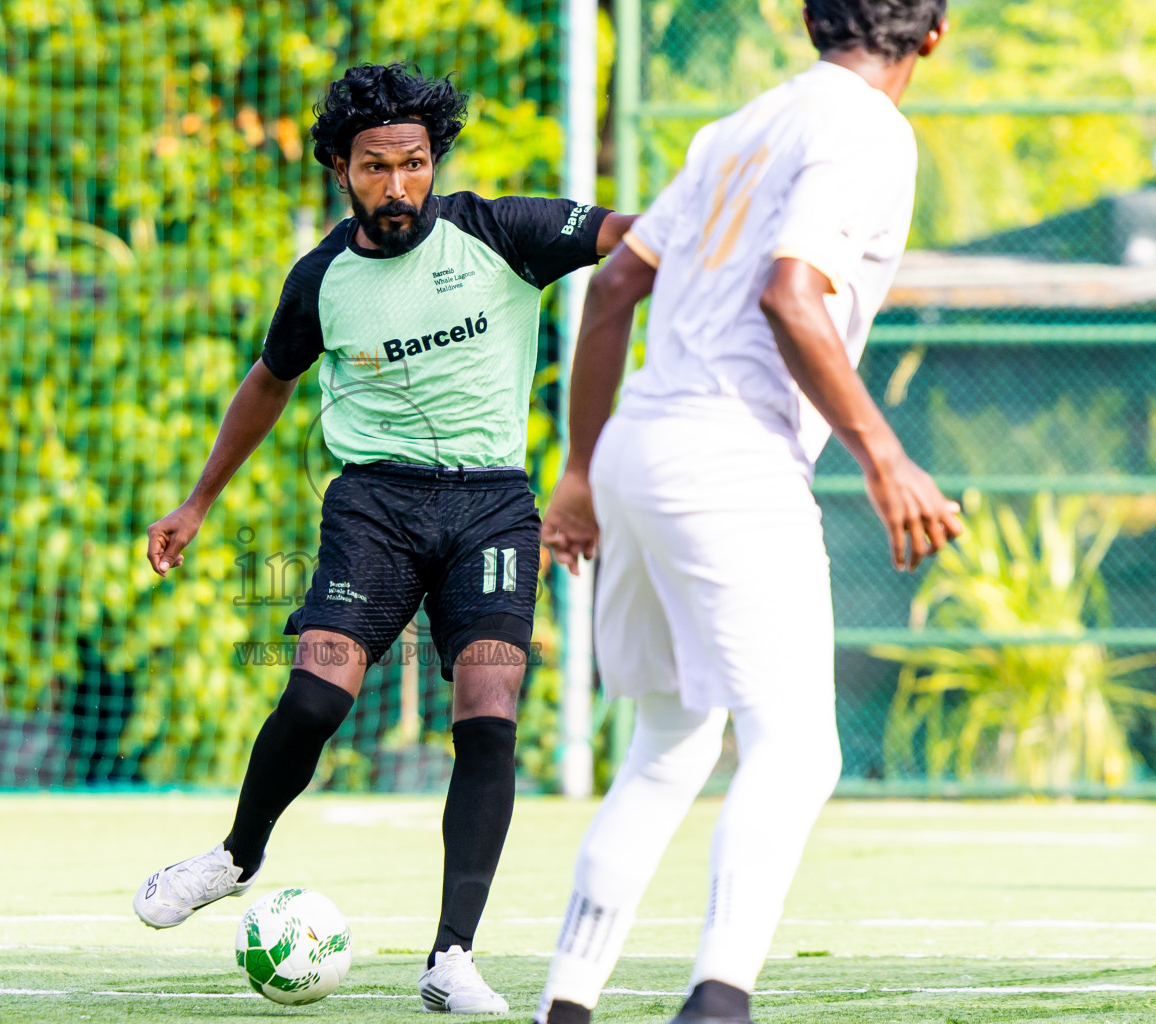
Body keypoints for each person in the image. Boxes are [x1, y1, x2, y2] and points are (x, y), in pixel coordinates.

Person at [136, 62, 635, 1013]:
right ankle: (238, 858)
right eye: (375, 167)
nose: (398, 184)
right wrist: (197, 503)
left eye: (413, 163)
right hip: (374, 504)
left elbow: (631, 237)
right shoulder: (322, 277)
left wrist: (705, 232)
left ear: (433, 161)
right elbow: (268, 384)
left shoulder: (502, 230)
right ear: (339, 169)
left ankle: (451, 959)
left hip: (492, 504)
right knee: (319, 696)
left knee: (489, 720)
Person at [533, 3, 959, 1022]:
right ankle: (717, 1003)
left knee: (670, 739)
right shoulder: (866, 128)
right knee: (798, 748)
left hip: (638, 442)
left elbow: (614, 287)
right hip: (728, 450)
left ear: (816, 21)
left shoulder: (737, 127)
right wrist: (886, 457)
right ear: (932, 39)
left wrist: (581, 469)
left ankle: (566, 1002)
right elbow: (790, 294)